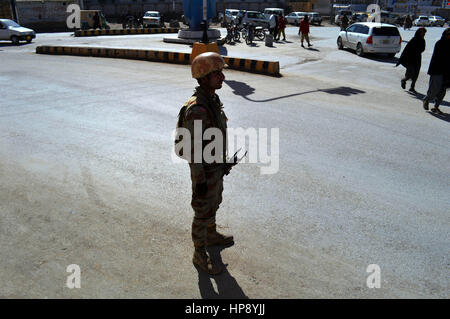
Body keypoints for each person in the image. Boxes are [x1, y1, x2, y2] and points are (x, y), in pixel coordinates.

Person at [175, 52, 234, 275]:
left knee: (215, 201)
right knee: (202, 209)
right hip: (204, 170)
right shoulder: (198, 110)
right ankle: (199, 253)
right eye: (216, 73)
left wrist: (222, 162)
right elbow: (194, 150)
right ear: (203, 77)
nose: (222, 77)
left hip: (215, 165)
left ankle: (211, 235)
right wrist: (200, 180)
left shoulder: (212, 100)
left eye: (221, 72)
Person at [423, 28, 450, 114]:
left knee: (442, 91)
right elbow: (437, 58)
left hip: (447, 72)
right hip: (437, 70)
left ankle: (436, 107)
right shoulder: (439, 43)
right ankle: (427, 99)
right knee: (434, 89)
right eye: (448, 34)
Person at [396, 27, 427, 94]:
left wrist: (419, 50)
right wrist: (402, 58)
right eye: (423, 32)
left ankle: (412, 87)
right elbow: (407, 49)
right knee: (410, 73)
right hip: (410, 59)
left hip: (418, 58)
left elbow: (423, 48)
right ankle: (404, 80)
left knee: (416, 73)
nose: (424, 34)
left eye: (424, 33)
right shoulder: (414, 39)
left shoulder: (423, 40)